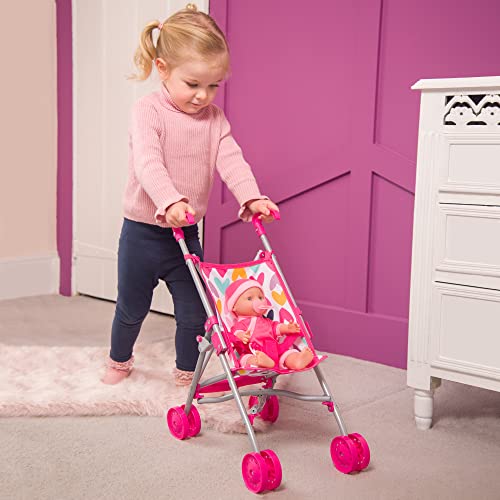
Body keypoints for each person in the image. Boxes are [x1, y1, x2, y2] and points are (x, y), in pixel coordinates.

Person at [102, 4, 278, 385]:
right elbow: (148, 163)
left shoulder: (214, 120)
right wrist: (170, 200)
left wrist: (250, 197)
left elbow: (231, 159)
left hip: (186, 236)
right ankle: (119, 361)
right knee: (132, 307)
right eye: (193, 84)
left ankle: (187, 372)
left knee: (195, 312)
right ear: (163, 69)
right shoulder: (147, 111)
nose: (203, 96)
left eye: (213, 86)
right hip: (142, 234)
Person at [224, 279, 314, 370]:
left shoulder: (266, 321)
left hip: (275, 351)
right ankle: (260, 361)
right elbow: (236, 333)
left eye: (260, 297)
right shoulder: (241, 324)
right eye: (249, 298)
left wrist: (287, 328)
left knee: (288, 353)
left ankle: (297, 361)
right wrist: (241, 336)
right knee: (245, 359)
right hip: (253, 352)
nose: (258, 301)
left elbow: (276, 328)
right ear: (234, 307)